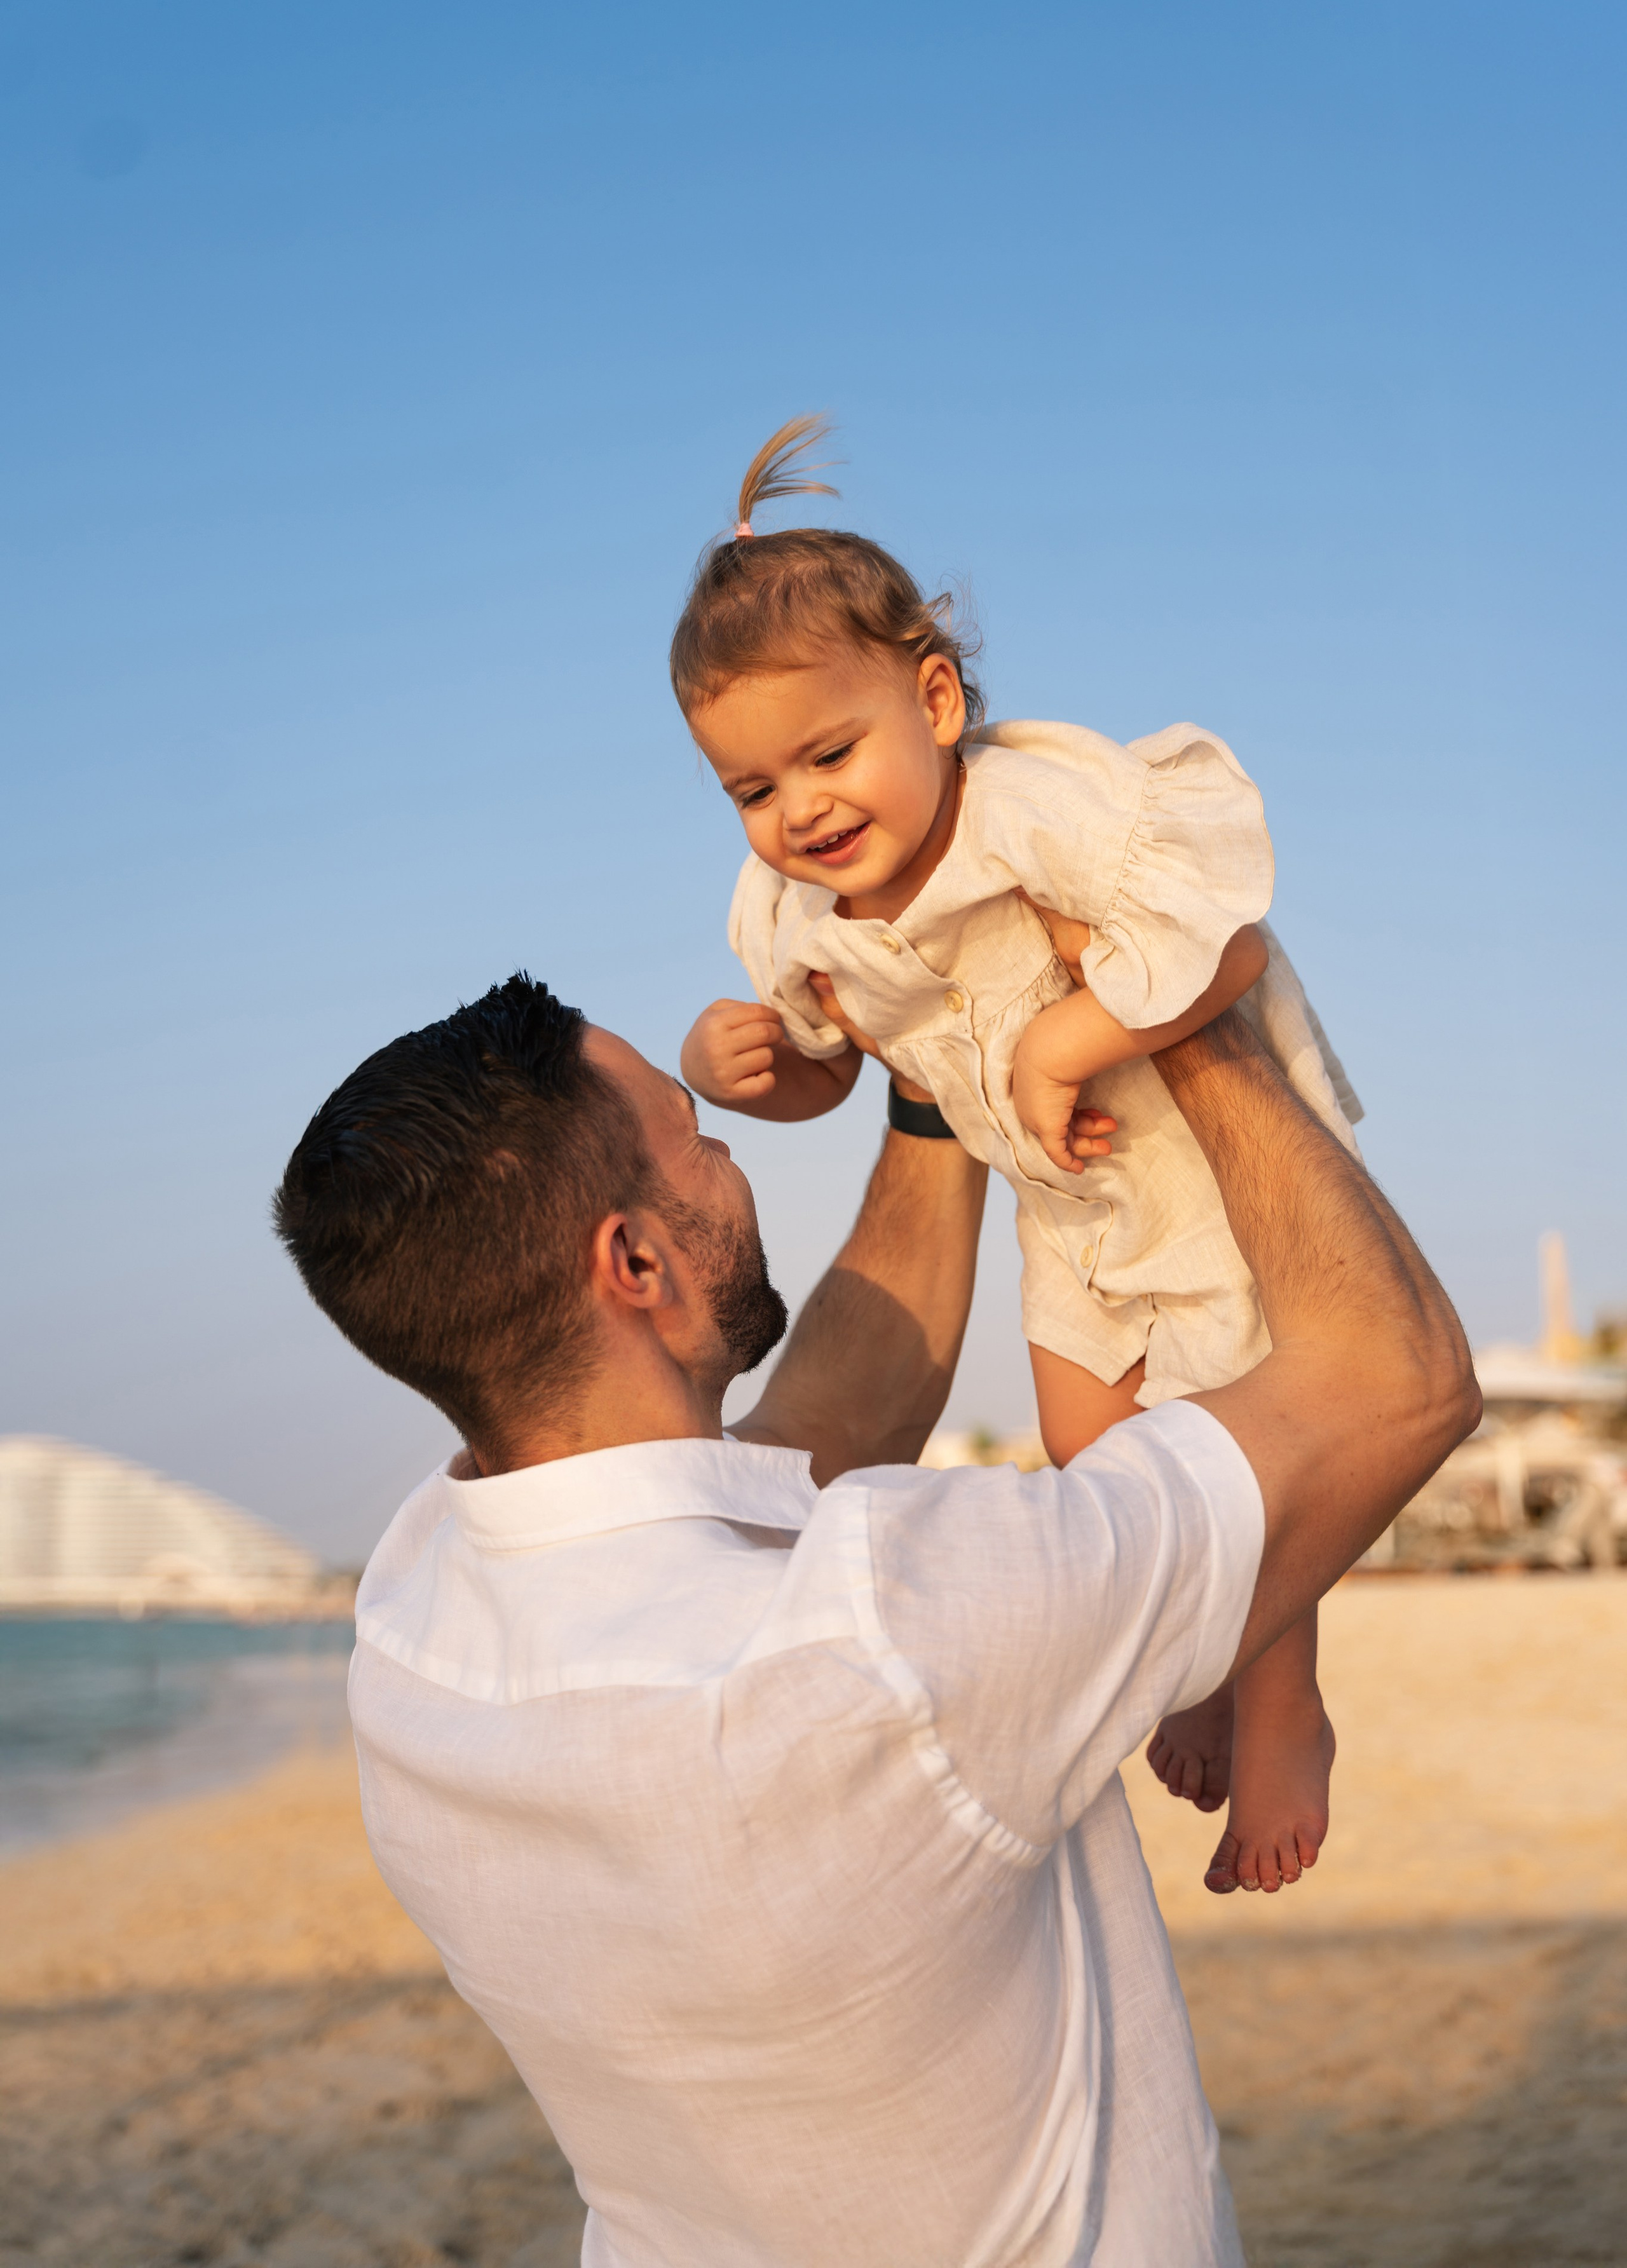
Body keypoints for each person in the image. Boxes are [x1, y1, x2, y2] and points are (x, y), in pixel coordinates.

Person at [274, 970, 1476, 2268]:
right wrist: (1165, 996)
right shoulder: (888, 1635)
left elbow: (824, 1428)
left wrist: (926, 1083)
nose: (727, 1158)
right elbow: (1393, 1382)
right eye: (697, 1137)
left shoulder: (409, 1629)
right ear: (635, 1259)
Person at [674, 417, 1362, 1898]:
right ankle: (1184, 1659)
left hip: (1188, 1158)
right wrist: (746, 1068)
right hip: (1066, 1202)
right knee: (1088, 1445)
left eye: (827, 753)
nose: (798, 810)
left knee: (1245, 1423)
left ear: (932, 699)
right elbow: (833, 1070)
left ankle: (1280, 1694)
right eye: (750, 790)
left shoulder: (1033, 805)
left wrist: (1062, 1040)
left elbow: (1224, 938)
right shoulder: (800, 911)